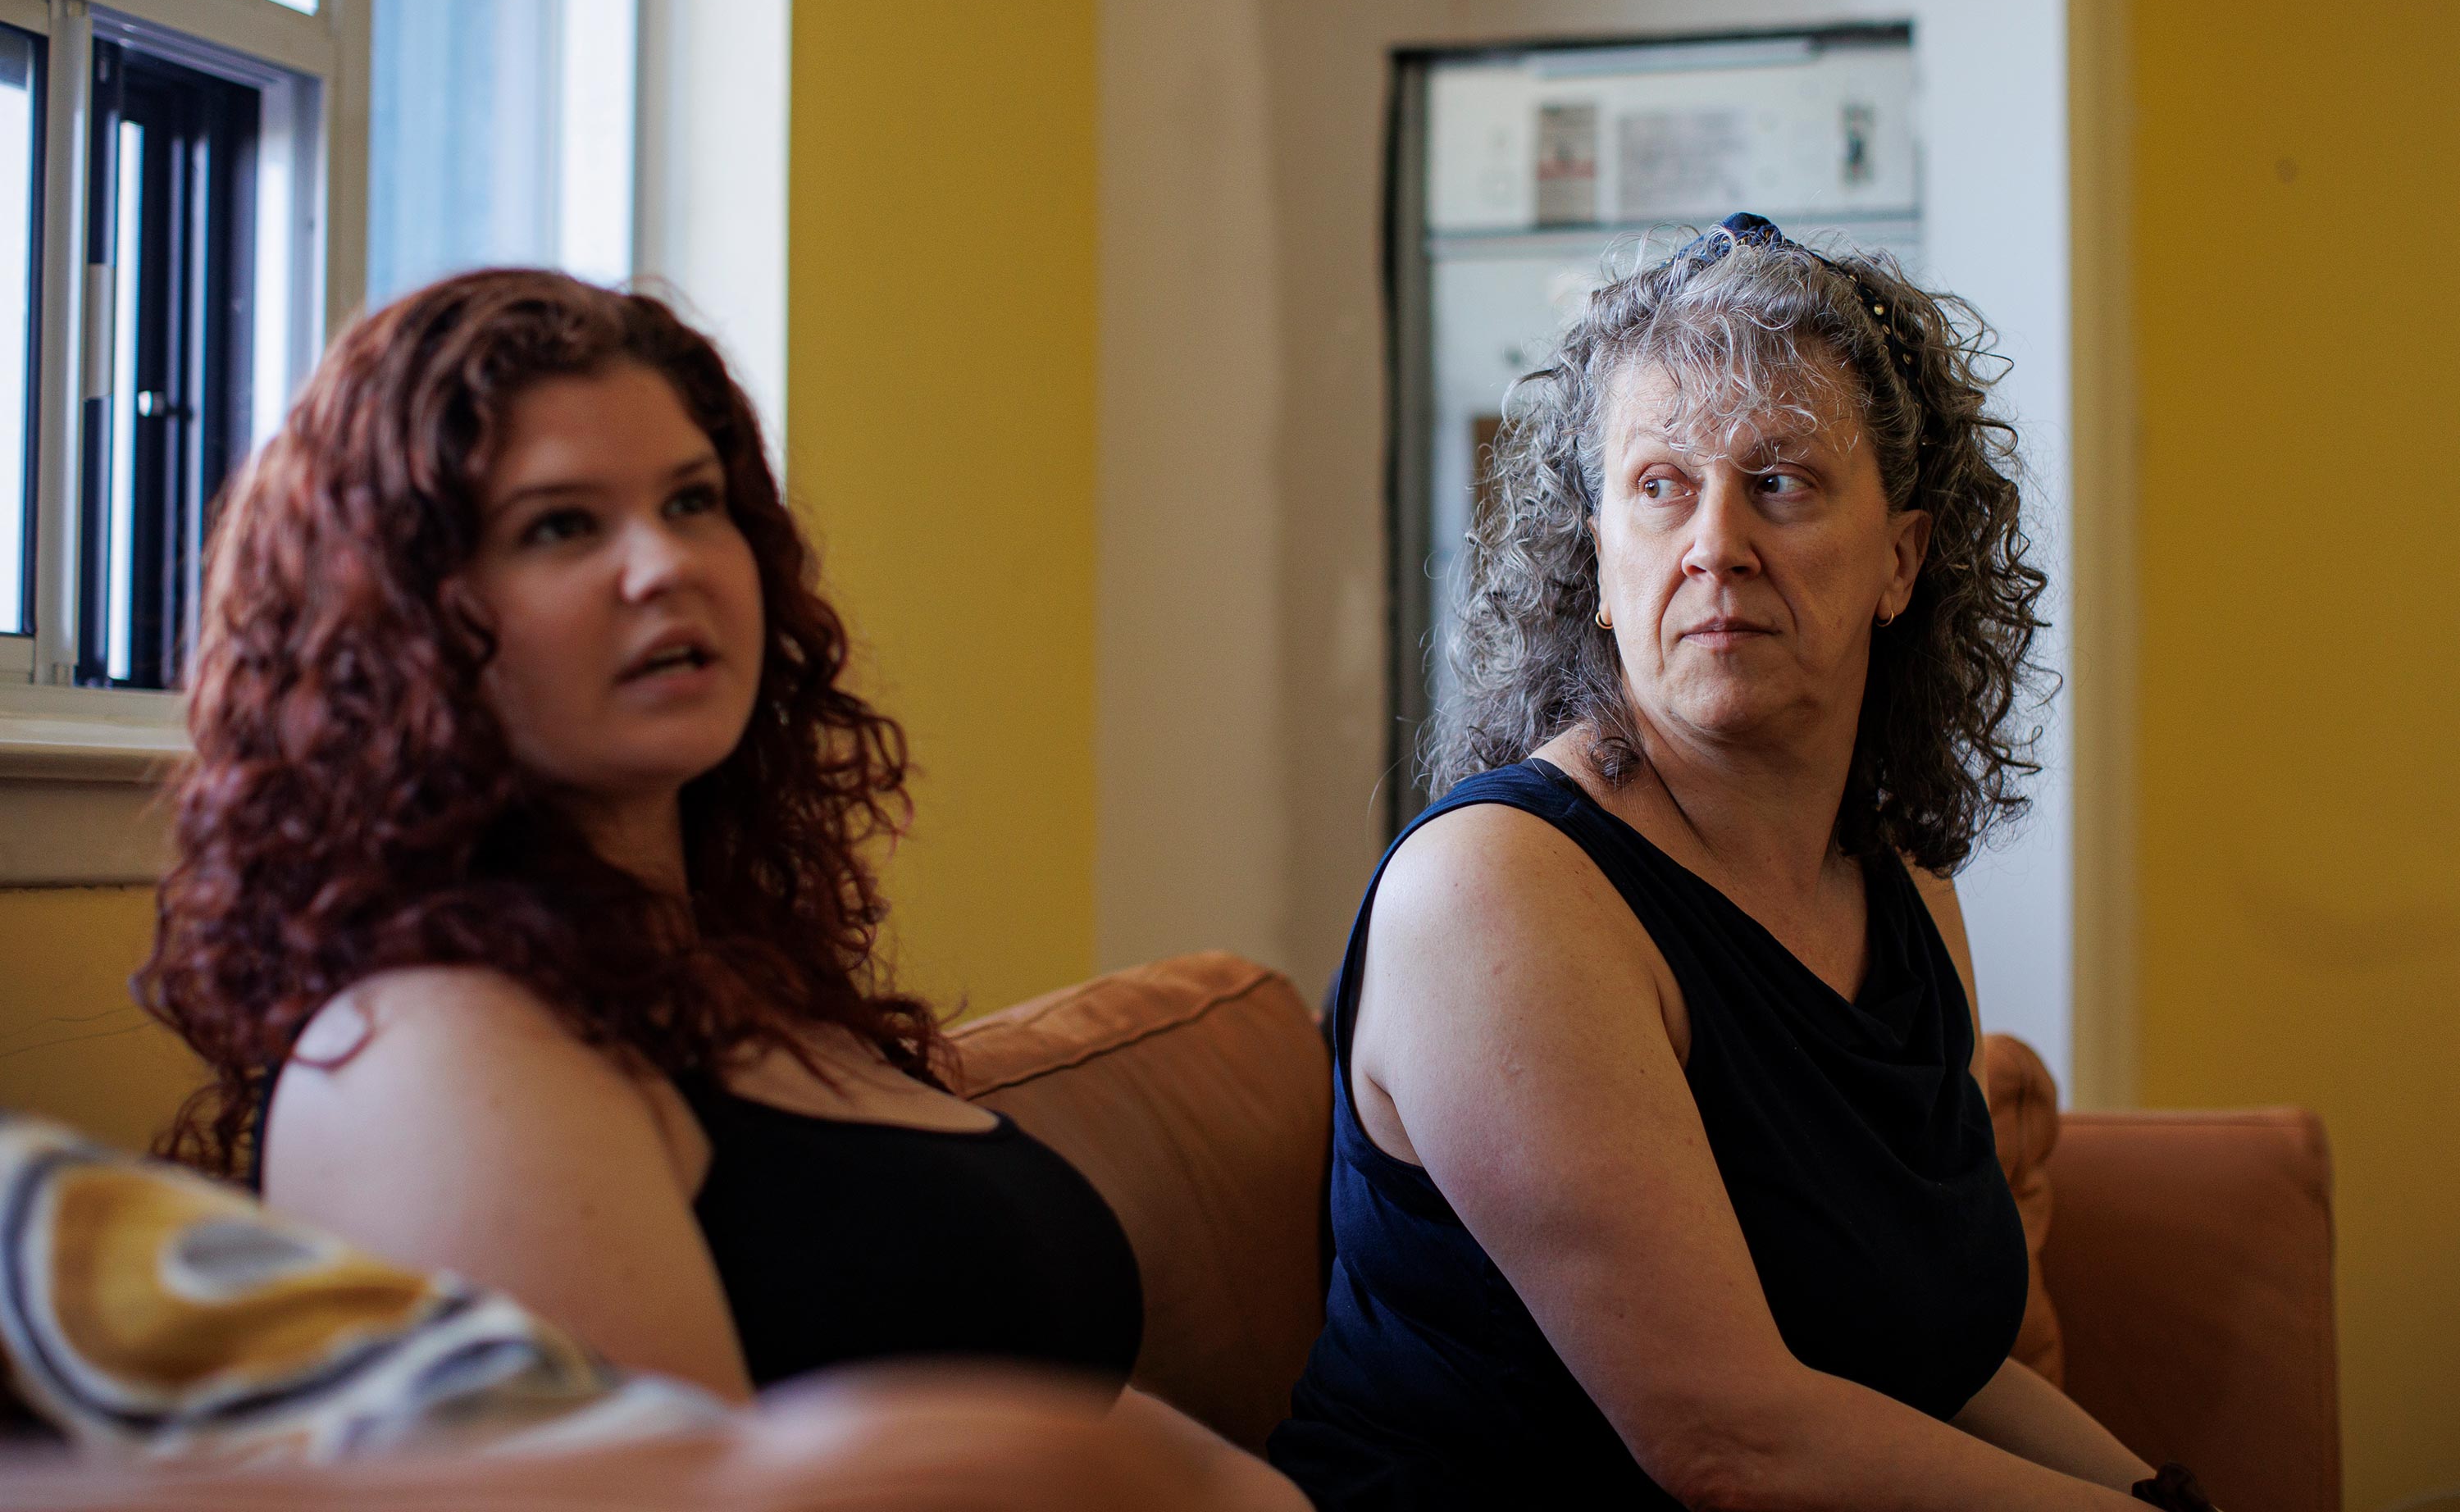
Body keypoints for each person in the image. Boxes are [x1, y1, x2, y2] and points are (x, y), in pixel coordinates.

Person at [134, 268, 1301, 1510]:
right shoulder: (428, 1050)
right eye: (561, 526)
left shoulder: (749, 980)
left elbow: (1053, 1378)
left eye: (694, 501)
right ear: (399, 627)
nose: (664, 565)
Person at [1269, 216, 2206, 1510]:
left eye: (1782, 482)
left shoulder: (1904, 893)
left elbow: (1940, 1368)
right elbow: (1729, 1444)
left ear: (1902, 560)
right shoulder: (1498, 889)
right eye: (1660, 486)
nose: (1717, 542)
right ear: (1600, 560)